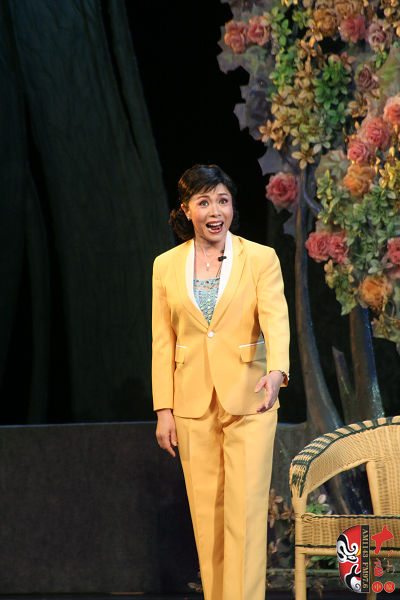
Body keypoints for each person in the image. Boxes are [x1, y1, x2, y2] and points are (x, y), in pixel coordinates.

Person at [152, 164, 290, 600]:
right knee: (207, 519)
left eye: (223, 201)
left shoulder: (260, 258)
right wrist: (164, 409)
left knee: (245, 516)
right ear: (187, 209)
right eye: (205, 202)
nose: (215, 211)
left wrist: (277, 371)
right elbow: (163, 342)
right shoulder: (166, 266)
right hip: (192, 405)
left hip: (251, 398)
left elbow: (276, 320)